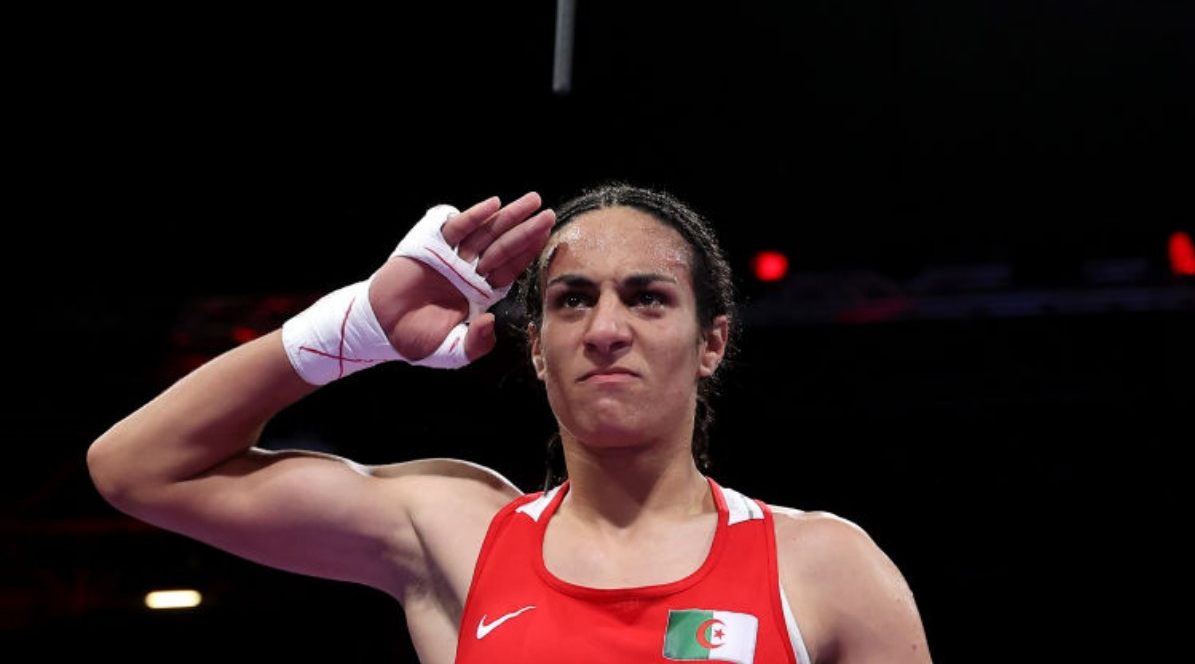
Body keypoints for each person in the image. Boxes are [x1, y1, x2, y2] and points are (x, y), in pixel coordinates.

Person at [87, 183, 932, 663]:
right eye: (572, 300)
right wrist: (352, 332)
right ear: (535, 349)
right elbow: (137, 469)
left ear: (711, 341)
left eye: (647, 297)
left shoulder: (825, 567)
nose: (606, 328)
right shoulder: (460, 534)